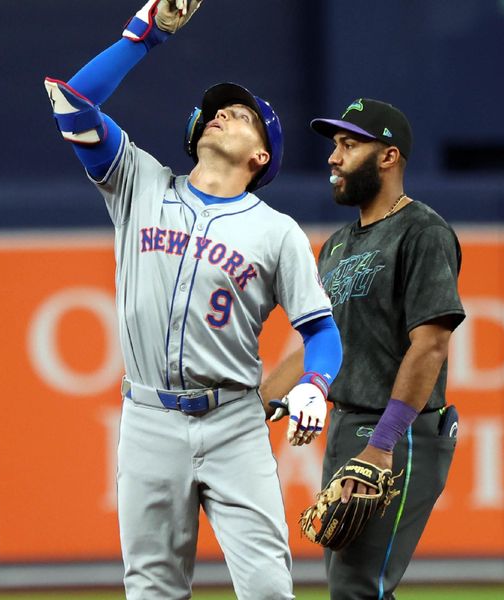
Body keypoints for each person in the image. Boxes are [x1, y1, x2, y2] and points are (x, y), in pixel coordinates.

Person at [43, 2, 342, 598]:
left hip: (235, 420)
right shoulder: (140, 182)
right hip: (149, 418)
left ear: (263, 157)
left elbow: (321, 330)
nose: (223, 115)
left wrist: (315, 383)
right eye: (216, 112)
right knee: (152, 590)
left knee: (268, 590)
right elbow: (70, 102)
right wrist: (143, 34)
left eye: (242, 116)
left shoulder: (276, 230)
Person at [262, 98, 465, 599]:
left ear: (388, 157)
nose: (334, 157)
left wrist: (383, 445)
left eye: (349, 145)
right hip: (349, 426)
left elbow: (431, 344)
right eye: (335, 144)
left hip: (399, 431)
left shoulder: (422, 231)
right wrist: (257, 400)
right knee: (355, 588)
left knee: (356, 588)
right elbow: (321, 344)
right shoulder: (336, 246)